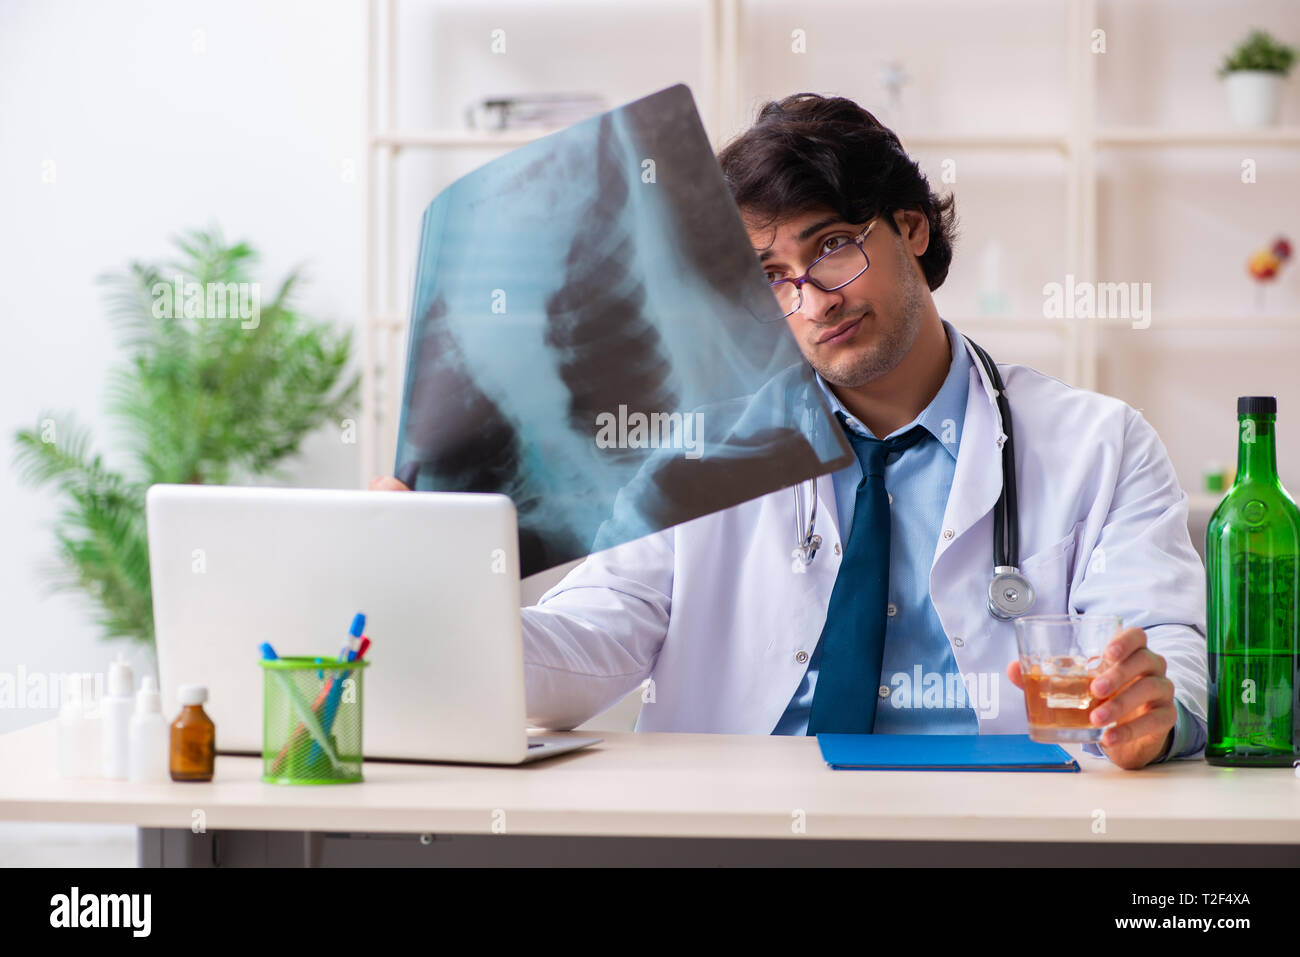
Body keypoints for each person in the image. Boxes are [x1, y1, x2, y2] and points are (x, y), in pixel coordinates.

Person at [374, 93, 1207, 770]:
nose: (814, 302)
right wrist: (445, 596)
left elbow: (1173, 649)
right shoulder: (697, 452)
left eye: (835, 246)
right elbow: (587, 643)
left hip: (994, 837)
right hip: (747, 841)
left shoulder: (1099, 443)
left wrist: (1155, 709)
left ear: (911, 228)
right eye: (773, 277)